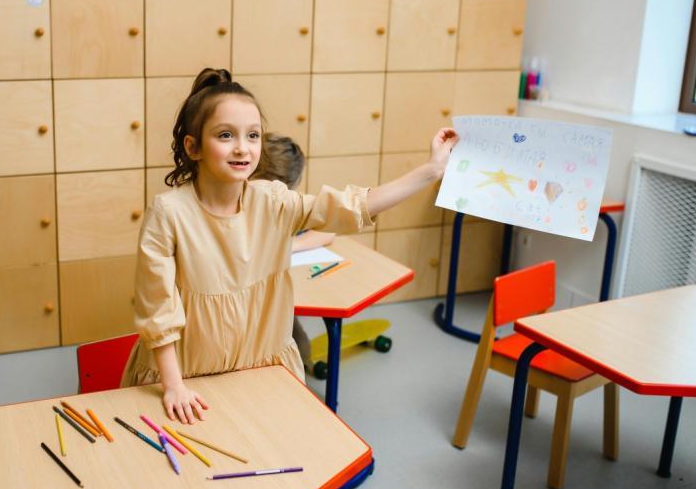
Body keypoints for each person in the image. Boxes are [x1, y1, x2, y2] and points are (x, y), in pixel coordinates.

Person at [121, 68, 458, 424]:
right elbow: (159, 311)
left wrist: (432, 170)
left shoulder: (273, 200)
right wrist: (174, 386)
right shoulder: (168, 213)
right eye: (225, 135)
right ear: (193, 147)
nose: (242, 147)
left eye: (253, 135)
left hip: (261, 372)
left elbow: (354, 206)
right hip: (185, 380)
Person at [251, 133, 334, 369]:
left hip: (277, 302)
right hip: (244, 311)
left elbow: (328, 231)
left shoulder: (286, 205)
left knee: (300, 345)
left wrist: (291, 246)